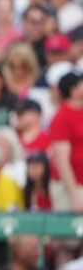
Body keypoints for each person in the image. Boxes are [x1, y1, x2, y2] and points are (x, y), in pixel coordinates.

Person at [47, 72, 83, 211]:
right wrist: (74, 195)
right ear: (74, 90)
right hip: (70, 186)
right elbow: (62, 161)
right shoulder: (62, 117)